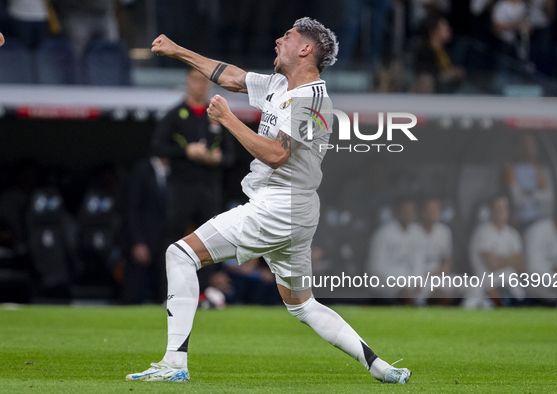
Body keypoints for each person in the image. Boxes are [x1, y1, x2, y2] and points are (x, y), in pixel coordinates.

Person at [126, 17, 411, 384]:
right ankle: (380, 366)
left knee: (179, 254)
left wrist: (228, 120)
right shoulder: (280, 84)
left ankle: (173, 364)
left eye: (288, 36)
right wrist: (178, 50)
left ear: (305, 49)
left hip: (280, 206)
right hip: (294, 210)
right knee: (303, 304)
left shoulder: (314, 100)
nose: (278, 40)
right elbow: (231, 77)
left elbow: (277, 154)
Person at [152, 68, 235, 265]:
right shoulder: (174, 114)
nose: (200, 84)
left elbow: (231, 155)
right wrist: (187, 151)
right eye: (195, 79)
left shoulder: (218, 116)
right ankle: (168, 293)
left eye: (204, 80)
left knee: (209, 242)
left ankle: (203, 293)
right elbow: (156, 147)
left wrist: (218, 159)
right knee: (173, 239)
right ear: (188, 81)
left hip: (210, 188)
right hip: (181, 187)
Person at [121, 156, 170, 304]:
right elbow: (132, 209)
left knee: (164, 290)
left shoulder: (175, 172)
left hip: (165, 240)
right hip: (143, 239)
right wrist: (137, 241)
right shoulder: (142, 170)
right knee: (134, 290)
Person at [466, 195, 525, 308]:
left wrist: (500, 261)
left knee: (511, 275)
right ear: (491, 210)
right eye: (498, 208)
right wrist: (510, 260)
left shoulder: (513, 234)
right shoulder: (483, 232)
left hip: (505, 282)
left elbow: (522, 266)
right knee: (509, 273)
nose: (502, 212)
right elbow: (492, 265)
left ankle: (519, 305)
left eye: (504, 208)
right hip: (484, 281)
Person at [366, 198, 423, 299]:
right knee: (405, 295)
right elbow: (377, 268)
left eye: (412, 211)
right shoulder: (383, 234)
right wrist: (398, 284)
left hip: (410, 282)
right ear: (397, 212)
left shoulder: (417, 233)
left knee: (439, 294)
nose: (409, 214)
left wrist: (417, 281)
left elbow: (419, 261)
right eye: (406, 210)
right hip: (385, 283)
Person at [503, 132, 554, 230]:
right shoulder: (510, 167)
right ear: (518, 147)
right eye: (525, 144)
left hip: (536, 219)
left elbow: (546, 197)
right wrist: (534, 195)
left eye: (532, 144)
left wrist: (528, 194)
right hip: (515, 220)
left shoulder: (537, 169)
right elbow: (516, 197)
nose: (529, 148)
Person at [412, 12, 465, 93]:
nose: (449, 29)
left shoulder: (446, 52)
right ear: (434, 31)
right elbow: (426, 76)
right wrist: (449, 74)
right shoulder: (424, 53)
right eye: (445, 27)